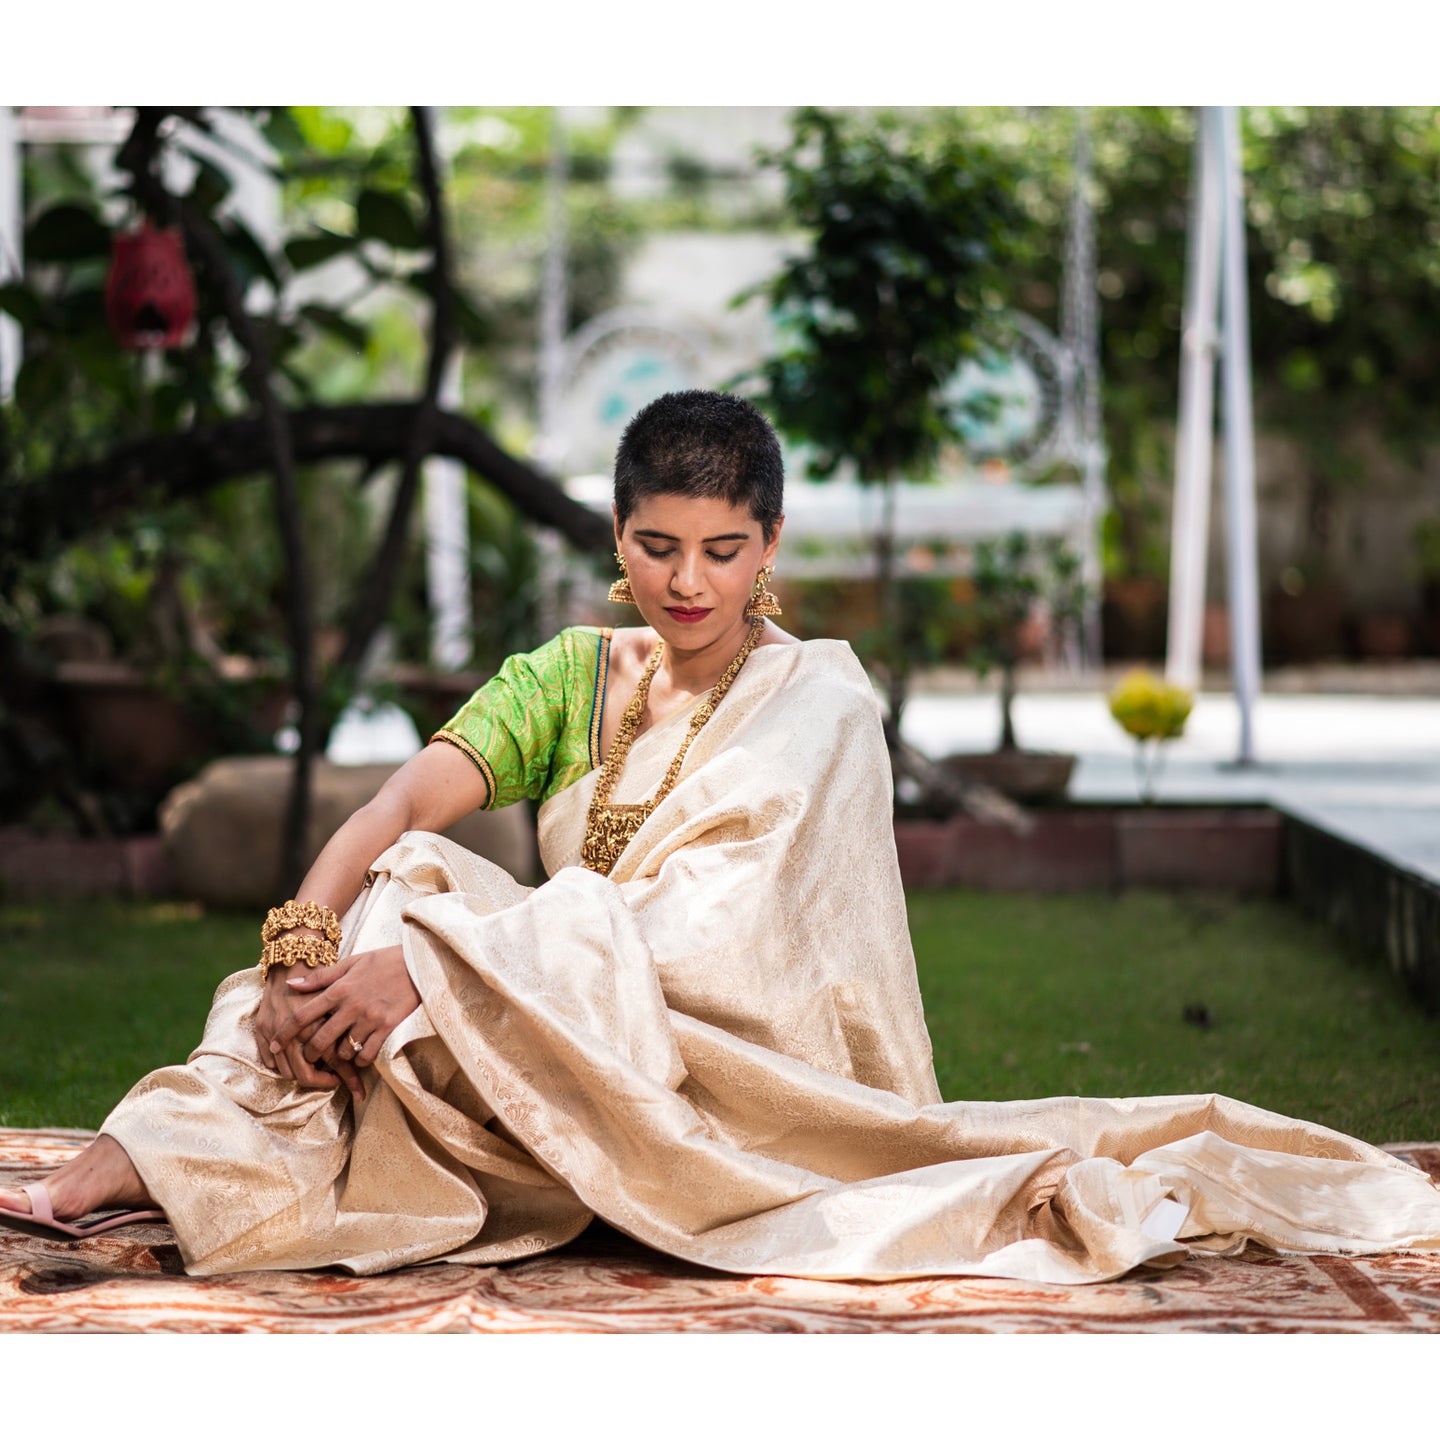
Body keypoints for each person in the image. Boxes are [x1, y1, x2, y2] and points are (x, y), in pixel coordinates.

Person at [3, 389, 1439, 1284]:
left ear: (771, 549)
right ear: (617, 545)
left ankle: (184, 1165)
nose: (688, 583)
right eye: (656, 547)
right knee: (396, 891)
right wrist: (312, 949)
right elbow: (390, 808)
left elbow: (728, 928)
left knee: (425, 940)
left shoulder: (816, 698)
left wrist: (433, 974)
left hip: (713, 1065)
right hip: (543, 1022)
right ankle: (155, 1155)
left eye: (722, 549)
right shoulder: (572, 673)